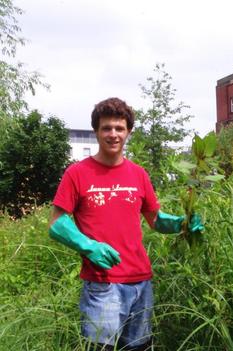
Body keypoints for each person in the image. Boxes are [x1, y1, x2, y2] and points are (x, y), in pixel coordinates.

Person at [48, 97, 204, 350]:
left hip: (141, 280)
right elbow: (57, 223)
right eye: (106, 128)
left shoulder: (138, 174)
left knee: (139, 347)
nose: (113, 134)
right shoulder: (77, 173)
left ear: (128, 132)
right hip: (102, 283)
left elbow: (155, 220)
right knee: (101, 347)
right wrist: (88, 246)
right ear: (96, 132)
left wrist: (182, 223)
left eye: (119, 128)